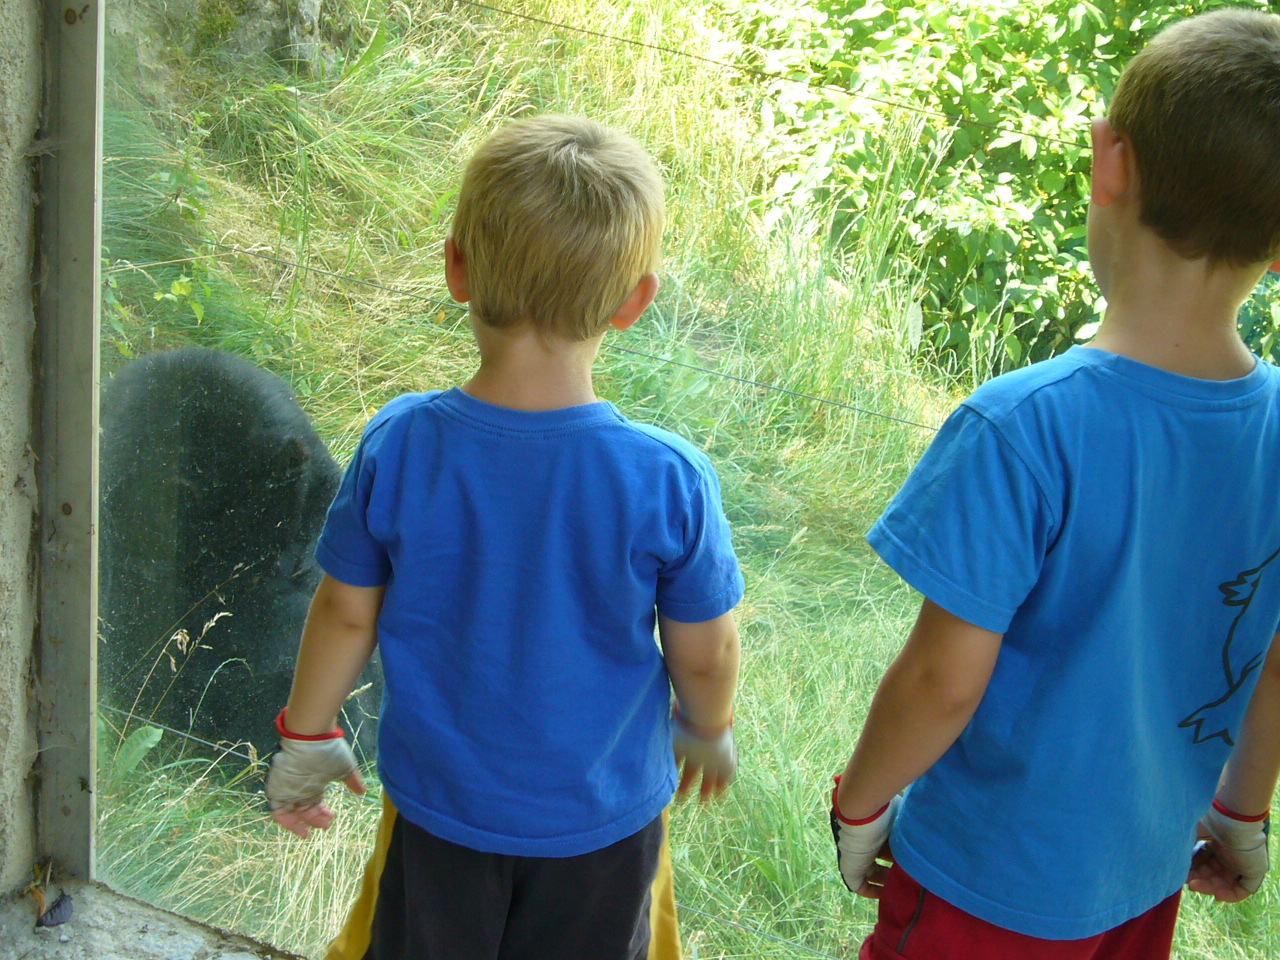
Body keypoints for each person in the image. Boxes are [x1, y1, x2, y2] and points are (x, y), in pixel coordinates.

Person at [828, 9, 1280, 959]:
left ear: (1109, 158)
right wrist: (1243, 813)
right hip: (1141, 881)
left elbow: (942, 680)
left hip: (985, 883)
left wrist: (860, 805)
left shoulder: (1023, 423)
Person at [262, 113, 745, 960]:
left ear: (456, 266)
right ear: (635, 301)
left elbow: (344, 610)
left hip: (441, 818)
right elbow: (704, 654)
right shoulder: (667, 477)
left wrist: (307, 735)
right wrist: (707, 726)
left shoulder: (401, 444)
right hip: (601, 829)